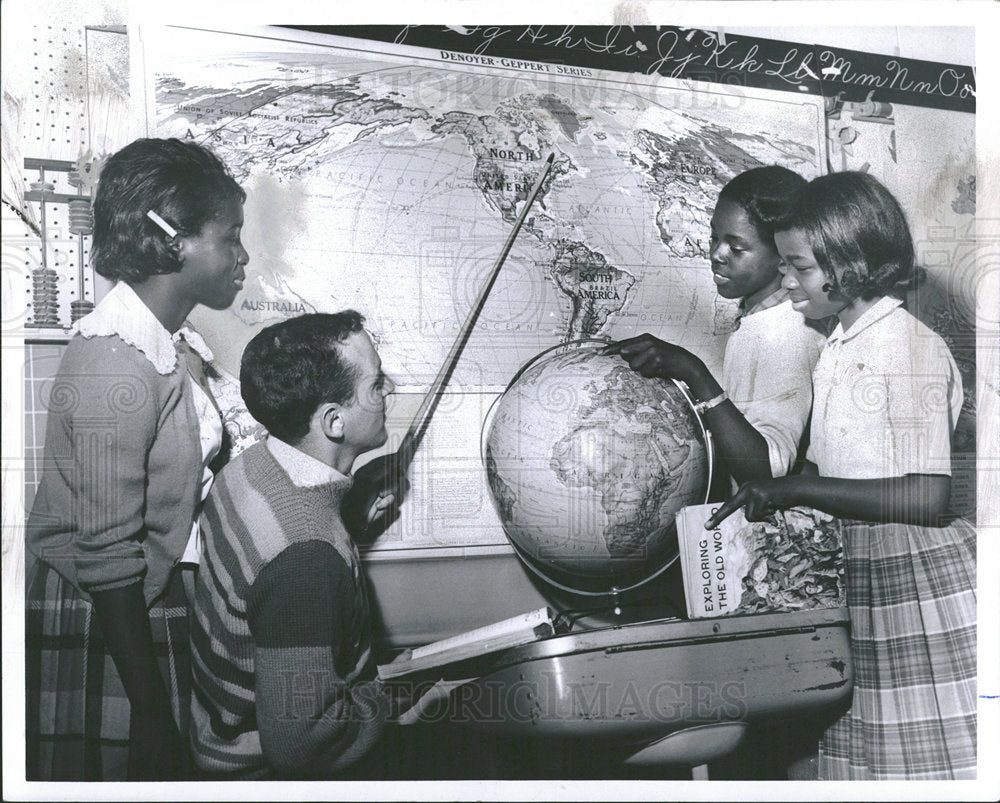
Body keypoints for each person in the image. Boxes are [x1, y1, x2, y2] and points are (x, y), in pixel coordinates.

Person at [707, 171, 977, 780]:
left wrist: (797, 486)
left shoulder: (909, 347)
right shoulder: (841, 342)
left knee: (912, 761)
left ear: (847, 265)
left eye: (798, 268)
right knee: (853, 759)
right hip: (859, 565)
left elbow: (927, 494)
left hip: (911, 575)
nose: (788, 280)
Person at [25, 138, 249, 780]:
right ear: (174, 239)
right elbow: (106, 556)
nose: (243, 255)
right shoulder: (110, 360)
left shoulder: (169, 345)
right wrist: (151, 715)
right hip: (109, 616)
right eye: (230, 236)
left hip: (149, 595)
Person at [189, 311, 403, 779]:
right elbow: (301, 745)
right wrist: (388, 701)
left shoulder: (248, 469)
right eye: (376, 384)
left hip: (215, 733)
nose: (390, 391)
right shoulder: (306, 557)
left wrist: (345, 518)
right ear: (334, 421)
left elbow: (271, 572)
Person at [603, 166, 827, 486]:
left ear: (784, 257)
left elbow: (767, 471)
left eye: (736, 248)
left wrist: (693, 372)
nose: (716, 253)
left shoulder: (788, 334)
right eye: (714, 237)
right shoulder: (759, 318)